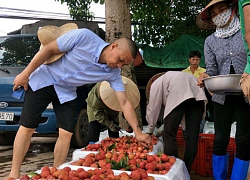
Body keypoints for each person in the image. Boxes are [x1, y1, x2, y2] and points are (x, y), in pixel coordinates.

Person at [7, 23, 151, 179]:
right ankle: (14, 173)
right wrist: (25, 74)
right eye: (120, 59)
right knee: (27, 127)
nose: (119, 65)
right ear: (114, 46)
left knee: (66, 133)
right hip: (44, 80)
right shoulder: (84, 37)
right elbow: (49, 49)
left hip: (67, 91)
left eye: (124, 64)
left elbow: (124, 103)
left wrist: (138, 132)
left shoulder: (113, 73)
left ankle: (56, 172)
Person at [196, 0, 250, 179]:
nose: (218, 15)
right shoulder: (210, 42)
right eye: (213, 14)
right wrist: (205, 77)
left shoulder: (246, 31)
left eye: (222, 10)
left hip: (246, 94)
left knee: (243, 140)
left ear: (232, 10)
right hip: (222, 96)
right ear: (211, 20)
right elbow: (211, 70)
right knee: (220, 139)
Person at [146, 71, 207, 172]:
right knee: (192, 137)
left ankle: (173, 169)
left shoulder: (155, 84)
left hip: (180, 93)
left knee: (169, 133)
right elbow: (182, 109)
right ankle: (186, 169)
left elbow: (153, 106)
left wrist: (150, 128)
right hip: (198, 99)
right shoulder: (173, 77)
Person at [86, 76, 140, 143]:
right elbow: (97, 112)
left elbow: (126, 110)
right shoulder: (100, 91)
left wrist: (131, 124)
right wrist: (110, 125)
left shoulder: (126, 93)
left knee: (115, 125)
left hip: (113, 104)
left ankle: (114, 144)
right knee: (94, 126)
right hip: (94, 106)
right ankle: (92, 146)